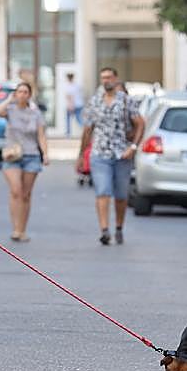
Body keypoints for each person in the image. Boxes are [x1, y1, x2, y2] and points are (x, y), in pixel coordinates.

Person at [79, 67, 145, 246]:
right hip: (99, 153)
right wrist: (81, 155)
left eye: (109, 77)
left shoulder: (126, 101)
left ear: (116, 79)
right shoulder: (95, 101)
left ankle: (119, 228)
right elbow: (87, 129)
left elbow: (140, 124)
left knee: (121, 195)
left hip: (122, 154)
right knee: (102, 191)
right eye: (103, 78)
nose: (106, 80)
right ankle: (104, 230)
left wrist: (133, 146)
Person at [0, 81, 48, 242]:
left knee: (25, 194)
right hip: (12, 156)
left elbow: (41, 135)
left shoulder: (35, 113)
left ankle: (22, 230)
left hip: (31, 156)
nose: (22, 94)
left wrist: (45, 154)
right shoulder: (9, 110)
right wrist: (9, 100)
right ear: (15, 94)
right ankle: (15, 228)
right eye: (19, 92)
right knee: (16, 190)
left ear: (29, 95)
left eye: (25, 92)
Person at [62, 72, 84, 136]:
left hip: (73, 105)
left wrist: (71, 106)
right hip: (79, 104)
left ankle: (68, 132)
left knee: (68, 118)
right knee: (79, 118)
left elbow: (70, 97)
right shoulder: (77, 85)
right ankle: (86, 130)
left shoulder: (69, 86)